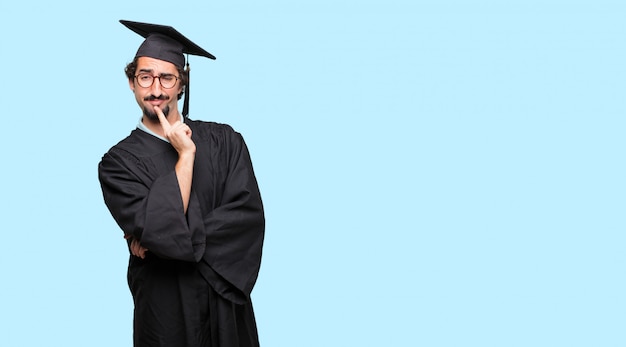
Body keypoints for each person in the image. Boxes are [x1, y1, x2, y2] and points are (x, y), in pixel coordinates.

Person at [98, 20, 265, 347]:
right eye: (145, 76)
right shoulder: (117, 164)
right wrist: (186, 156)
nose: (156, 89)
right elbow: (158, 232)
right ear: (131, 82)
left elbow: (247, 220)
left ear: (181, 83)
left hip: (224, 305)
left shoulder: (225, 140)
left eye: (167, 77)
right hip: (165, 311)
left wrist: (166, 235)